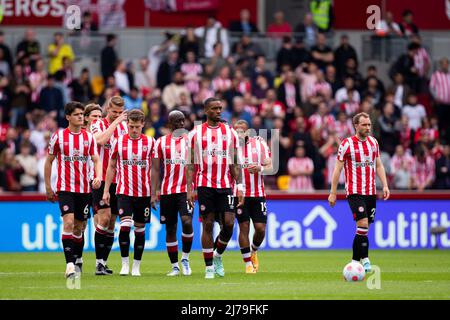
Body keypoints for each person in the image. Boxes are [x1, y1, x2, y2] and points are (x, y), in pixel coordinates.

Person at [186, 97, 243, 279]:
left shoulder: (230, 132)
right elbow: (190, 165)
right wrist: (189, 188)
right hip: (204, 185)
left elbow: (235, 162)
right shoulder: (195, 133)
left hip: (225, 185)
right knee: (208, 224)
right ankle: (209, 267)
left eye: (220, 108)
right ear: (205, 111)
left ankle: (217, 256)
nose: (219, 111)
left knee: (228, 224)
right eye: (214, 108)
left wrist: (240, 186)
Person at [44, 101, 102, 279]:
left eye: (81, 114)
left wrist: (98, 176)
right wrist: (48, 186)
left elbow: (96, 159)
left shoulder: (89, 138)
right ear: (68, 117)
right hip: (65, 188)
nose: (80, 117)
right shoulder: (59, 137)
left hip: (84, 189)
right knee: (68, 223)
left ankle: (77, 259)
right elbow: (49, 161)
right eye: (76, 114)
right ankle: (69, 265)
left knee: (79, 227)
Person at [328, 112, 390, 273]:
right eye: (364, 124)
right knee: (362, 224)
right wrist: (333, 192)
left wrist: (385, 185)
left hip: (371, 192)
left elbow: (379, 165)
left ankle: (355, 262)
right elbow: (337, 169)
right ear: (356, 126)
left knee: (364, 229)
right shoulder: (347, 144)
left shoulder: (373, 143)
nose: (368, 127)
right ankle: (366, 259)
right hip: (355, 191)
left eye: (369, 124)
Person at [102, 109, 155, 277]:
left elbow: (155, 169)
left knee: (140, 230)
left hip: (143, 193)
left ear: (143, 125)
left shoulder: (150, 142)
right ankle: (125, 264)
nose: (133, 130)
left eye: (137, 127)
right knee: (125, 227)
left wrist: (154, 192)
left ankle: (136, 266)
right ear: (127, 124)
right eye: (131, 126)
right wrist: (106, 191)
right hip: (123, 192)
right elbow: (111, 167)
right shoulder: (118, 142)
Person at [151, 111, 194, 276]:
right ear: (170, 124)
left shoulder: (190, 141)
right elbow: (155, 169)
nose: (181, 124)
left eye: (183, 120)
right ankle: (175, 266)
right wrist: (154, 192)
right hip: (168, 191)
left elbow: (194, 166)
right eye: (177, 121)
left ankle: (185, 258)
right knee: (170, 228)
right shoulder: (160, 142)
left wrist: (192, 189)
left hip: (185, 191)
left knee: (187, 222)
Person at [90, 96, 128, 276]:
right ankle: (98, 263)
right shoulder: (98, 123)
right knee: (103, 218)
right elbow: (99, 141)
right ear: (108, 108)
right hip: (100, 179)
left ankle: (103, 263)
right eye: (114, 112)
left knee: (112, 223)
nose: (117, 115)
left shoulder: (126, 127)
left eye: (121, 113)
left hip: (118, 181)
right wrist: (117, 122)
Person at [232, 120, 272, 273]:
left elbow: (270, 166)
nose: (239, 133)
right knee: (243, 227)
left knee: (260, 229)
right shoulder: (231, 147)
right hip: (240, 194)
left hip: (258, 193)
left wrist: (260, 168)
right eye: (237, 130)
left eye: (242, 130)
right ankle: (248, 264)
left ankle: (254, 250)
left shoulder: (259, 143)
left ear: (248, 131)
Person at [429, 57, 450, 143]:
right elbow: (431, 87)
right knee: (440, 123)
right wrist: (436, 97)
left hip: (449, 104)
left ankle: (448, 140)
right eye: (443, 64)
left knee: (448, 123)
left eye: (446, 64)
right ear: (440, 65)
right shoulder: (436, 74)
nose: (445, 65)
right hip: (440, 103)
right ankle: (439, 140)